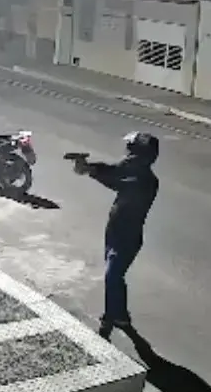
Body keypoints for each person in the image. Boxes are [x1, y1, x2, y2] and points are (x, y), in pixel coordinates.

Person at [68, 131, 160, 338]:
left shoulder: (148, 181)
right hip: (114, 232)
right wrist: (89, 167)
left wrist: (91, 172)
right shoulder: (132, 169)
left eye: (131, 150)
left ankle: (109, 319)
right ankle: (121, 316)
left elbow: (118, 183)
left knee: (113, 275)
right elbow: (113, 170)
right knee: (115, 277)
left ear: (140, 155)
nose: (126, 154)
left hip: (128, 237)